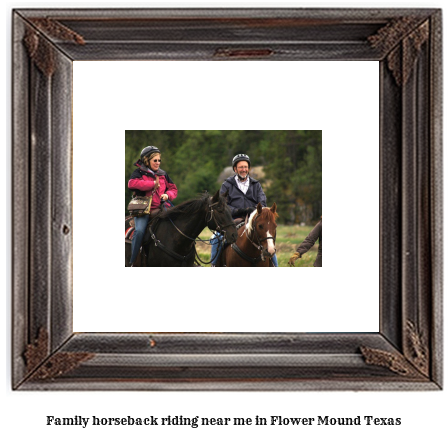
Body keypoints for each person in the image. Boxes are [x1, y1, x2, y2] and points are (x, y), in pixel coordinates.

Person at [211, 153, 278, 267]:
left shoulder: (256, 185)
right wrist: (242, 210)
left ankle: (274, 266)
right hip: (232, 221)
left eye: (246, 167)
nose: (244, 169)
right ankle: (214, 266)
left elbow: (263, 203)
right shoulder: (227, 185)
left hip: (254, 221)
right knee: (217, 238)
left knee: (268, 240)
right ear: (235, 169)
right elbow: (223, 206)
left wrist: (255, 212)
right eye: (241, 167)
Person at [128, 146, 178, 266]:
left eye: (159, 160)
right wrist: (152, 184)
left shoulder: (163, 174)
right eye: (155, 160)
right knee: (139, 231)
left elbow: (173, 189)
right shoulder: (138, 172)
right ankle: (132, 261)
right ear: (146, 160)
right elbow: (131, 184)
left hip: (162, 208)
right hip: (144, 210)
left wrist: (167, 195)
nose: (157, 163)